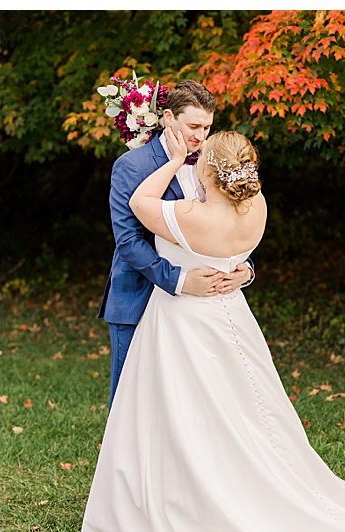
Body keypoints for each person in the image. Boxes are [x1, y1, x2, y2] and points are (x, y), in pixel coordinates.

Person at [80, 129, 345, 532]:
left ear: (209, 168)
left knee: (186, 413)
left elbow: (141, 201)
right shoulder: (258, 207)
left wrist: (175, 158)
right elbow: (242, 257)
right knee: (240, 412)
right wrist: (244, 271)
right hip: (232, 317)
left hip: (183, 322)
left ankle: (188, 501)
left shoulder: (190, 214)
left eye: (202, 156)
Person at [99, 80, 254, 407]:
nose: (201, 136)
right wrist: (180, 281)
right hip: (139, 297)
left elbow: (233, 222)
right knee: (132, 397)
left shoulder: (213, 164)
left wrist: (244, 269)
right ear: (168, 118)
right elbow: (127, 240)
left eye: (208, 127)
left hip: (200, 309)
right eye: (194, 126)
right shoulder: (132, 166)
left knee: (190, 400)